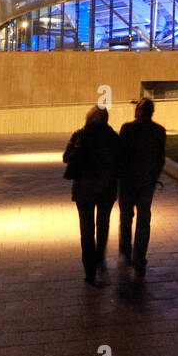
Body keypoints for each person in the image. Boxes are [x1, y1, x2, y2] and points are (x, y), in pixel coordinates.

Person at [63, 105, 119, 285]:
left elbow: (66, 157)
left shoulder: (80, 134)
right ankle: (100, 257)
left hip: (84, 189)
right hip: (106, 188)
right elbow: (121, 161)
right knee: (103, 224)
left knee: (86, 230)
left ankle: (89, 270)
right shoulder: (112, 137)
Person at [117, 98, 166, 278]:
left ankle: (125, 251)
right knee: (144, 220)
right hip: (147, 182)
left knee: (126, 217)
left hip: (128, 181)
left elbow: (120, 155)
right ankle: (139, 257)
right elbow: (160, 158)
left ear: (138, 111)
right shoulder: (159, 131)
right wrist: (154, 177)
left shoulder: (127, 128)